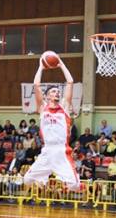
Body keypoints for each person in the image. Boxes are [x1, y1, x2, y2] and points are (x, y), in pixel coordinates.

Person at [22, 55, 79, 191]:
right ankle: (44, 181)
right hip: (47, 150)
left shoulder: (64, 107)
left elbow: (70, 82)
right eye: (54, 91)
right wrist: (41, 66)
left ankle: (58, 185)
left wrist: (61, 64)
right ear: (47, 95)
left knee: (75, 186)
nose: (57, 93)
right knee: (27, 180)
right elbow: (36, 84)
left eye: (58, 91)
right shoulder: (42, 108)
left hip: (61, 151)